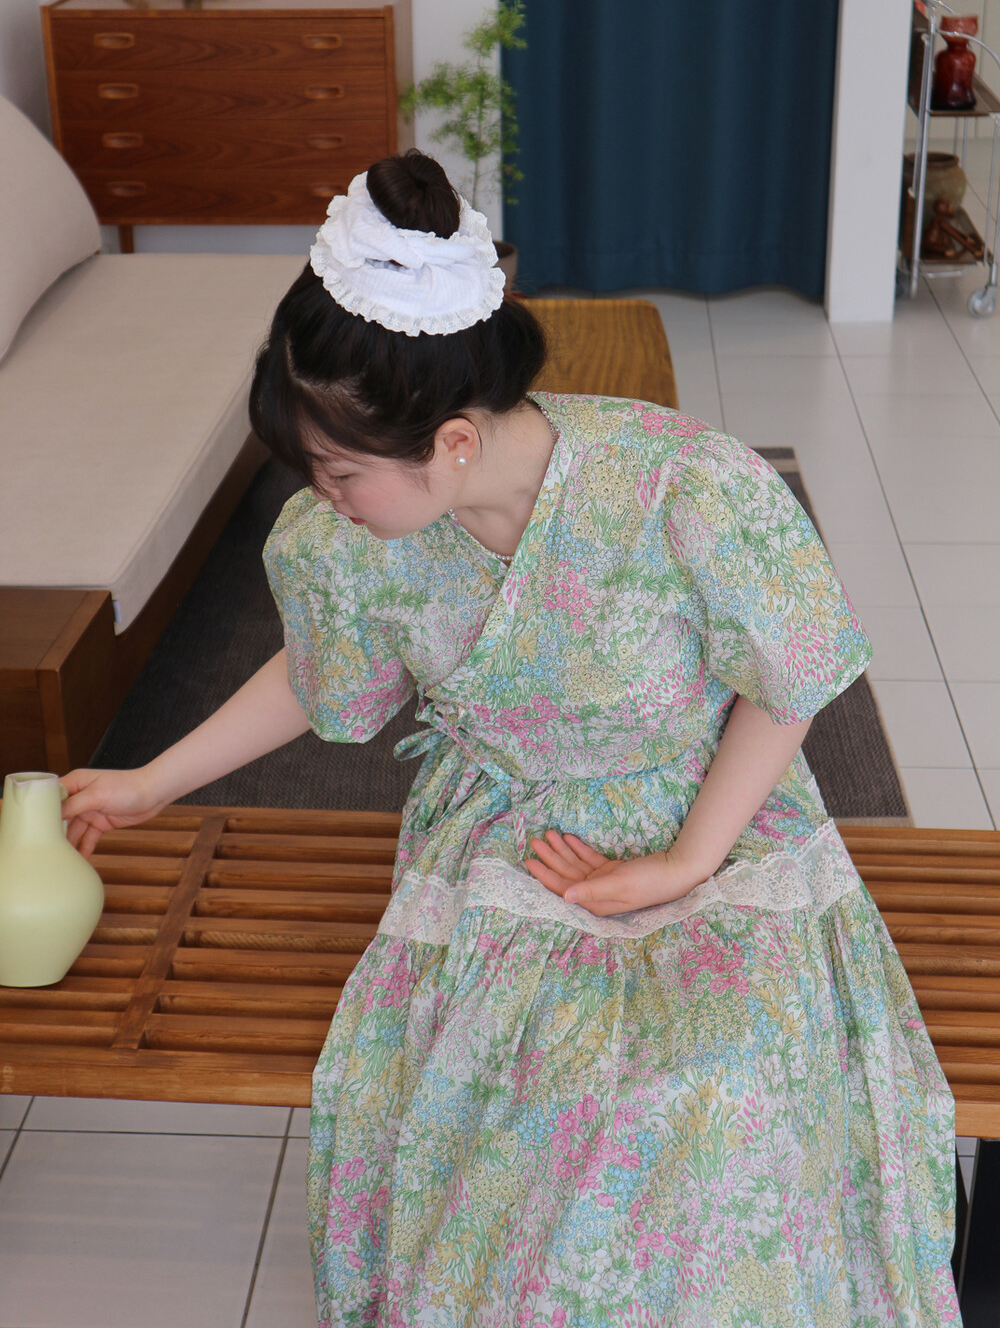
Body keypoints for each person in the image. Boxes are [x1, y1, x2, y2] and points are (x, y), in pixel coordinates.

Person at [62, 151, 960, 1327]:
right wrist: (150, 782)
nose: (321, 493)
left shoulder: (681, 487)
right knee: (536, 1095)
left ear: (450, 441)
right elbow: (320, 675)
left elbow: (788, 679)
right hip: (503, 835)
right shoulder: (352, 540)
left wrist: (683, 861)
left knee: (720, 1085)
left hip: (714, 815)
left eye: (339, 468)